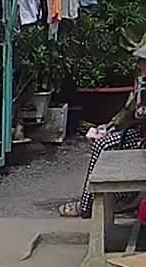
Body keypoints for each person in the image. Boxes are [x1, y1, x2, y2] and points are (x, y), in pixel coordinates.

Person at [60, 45, 146, 218]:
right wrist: (110, 126)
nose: (140, 65)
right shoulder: (141, 82)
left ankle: (87, 206)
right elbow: (129, 111)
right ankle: (94, 202)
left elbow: (140, 112)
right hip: (140, 133)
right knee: (103, 142)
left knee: (104, 145)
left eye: (142, 62)